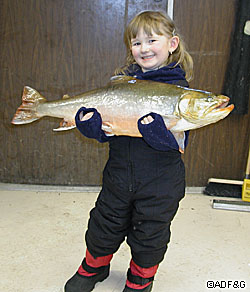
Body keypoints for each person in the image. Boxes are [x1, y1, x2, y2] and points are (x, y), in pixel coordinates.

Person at [64, 10, 193, 292]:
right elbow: (110, 132)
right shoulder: (120, 82)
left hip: (161, 182)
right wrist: (94, 129)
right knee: (104, 222)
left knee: (151, 232)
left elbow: (178, 145)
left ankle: (140, 278)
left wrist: (158, 134)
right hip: (119, 175)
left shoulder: (180, 92)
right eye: (136, 43)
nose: (144, 48)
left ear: (172, 44)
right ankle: (94, 266)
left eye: (152, 40)